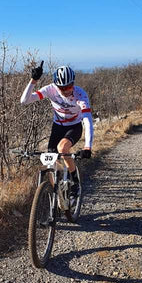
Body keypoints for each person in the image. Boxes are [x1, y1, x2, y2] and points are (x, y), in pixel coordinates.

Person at [20, 61, 93, 202]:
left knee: (62, 148)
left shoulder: (80, 95)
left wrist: (87, 147)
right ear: (56, 85)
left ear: (73, 83)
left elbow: (88, 121)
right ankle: (58, 193)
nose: (66, 90)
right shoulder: (50, 89)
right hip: (57, 126)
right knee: (50, 162)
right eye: (62, 87)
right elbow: (24, 101)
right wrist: (33, 80)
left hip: (74, 126)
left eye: (69, 86)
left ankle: (75, 181)